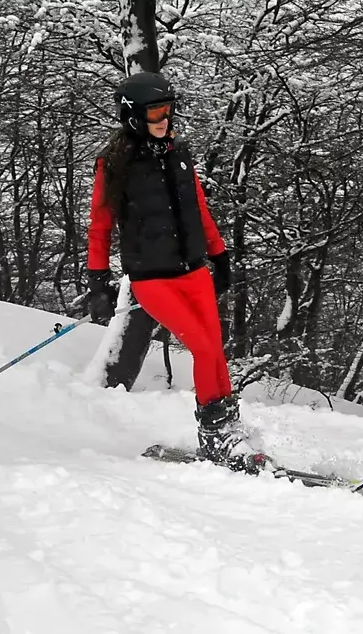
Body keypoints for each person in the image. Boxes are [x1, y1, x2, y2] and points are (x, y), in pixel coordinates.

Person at [85, 71, 260, 471]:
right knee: (200, 346)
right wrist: (98, 280)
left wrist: (219, 255)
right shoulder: (114, 164)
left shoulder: (178, 153)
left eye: (168, 110)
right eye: (155, 113)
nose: (164, 119)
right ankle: (214, 433)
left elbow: (198, 207)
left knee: (215, 348)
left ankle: (228, 423)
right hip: (152, 278)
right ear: (132, 116)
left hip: (193, 269)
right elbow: (100, 226)